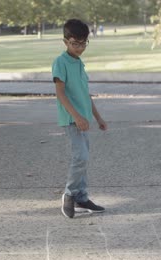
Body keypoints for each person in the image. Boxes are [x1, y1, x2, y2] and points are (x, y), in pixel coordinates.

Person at [52, 19, 108, 219]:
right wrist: (76, 116)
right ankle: (69, 194)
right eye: (75, 43)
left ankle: (81, 197)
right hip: (71, 119)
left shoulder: (80, 63)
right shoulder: (61, 62)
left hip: (84, 120)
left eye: (84, 43)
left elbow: (85, 94)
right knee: (80, 157)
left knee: (83, 159)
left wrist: (98, 117)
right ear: (65, 41)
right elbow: (60, 93)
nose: (80, 47)